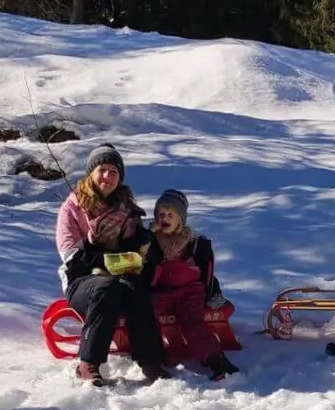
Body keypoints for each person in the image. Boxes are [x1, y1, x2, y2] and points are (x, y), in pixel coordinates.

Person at [55, 144, 166, 387]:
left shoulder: (127, 209)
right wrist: (96, 248)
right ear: (91, 173)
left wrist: (142, 252)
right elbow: (69, 254)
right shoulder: (73, 208)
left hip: (120, 275)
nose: (107, 176)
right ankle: (88, 363)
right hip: (81, 280)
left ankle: (151, 361)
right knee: (107, 288)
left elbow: (139, 247)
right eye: (102, 170)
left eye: (113, 171)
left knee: (135, 286)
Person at [144, 189, 239, 382]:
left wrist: (212, 292)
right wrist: (147, 237)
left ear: (181, 219)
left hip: (189, 290)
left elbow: (207, 269)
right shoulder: (151, 239)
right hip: (161, 290)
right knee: (147, 315)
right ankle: (154, 356)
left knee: (193, 322)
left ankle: (215, 359)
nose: (165, 219)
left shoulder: (192, 241)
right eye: (161, 215)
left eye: (171, 215)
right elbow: (142, 259)